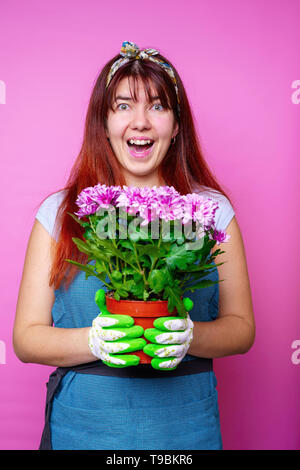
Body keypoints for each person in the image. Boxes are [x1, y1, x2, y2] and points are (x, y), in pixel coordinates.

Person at [13, 41, 255, 450]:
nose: (140, 121)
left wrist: (188, 336)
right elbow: (26, 338)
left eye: (158, 106)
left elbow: (242, 329)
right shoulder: (61, 212)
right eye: (123, 106)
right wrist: (93, 340)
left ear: (177, 125)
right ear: (103, 122)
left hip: (186, 430)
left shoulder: (210, 211)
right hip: (85, 428)